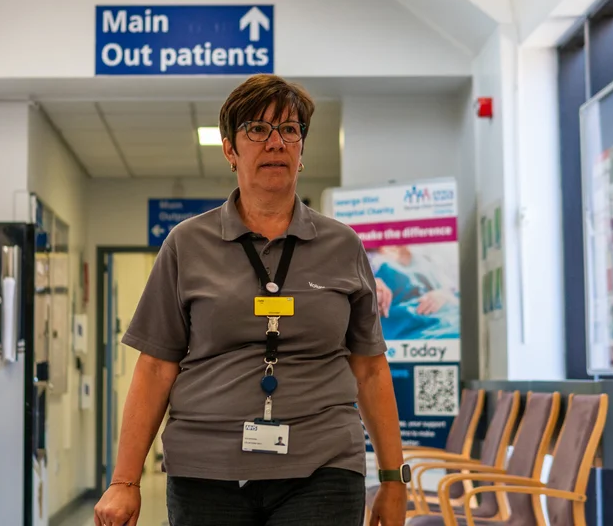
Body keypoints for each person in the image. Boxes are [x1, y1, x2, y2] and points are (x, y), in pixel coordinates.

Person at [94, 74, 408, 526]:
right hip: (207, 470)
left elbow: (370, 367)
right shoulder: (187, 244)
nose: (276, 142)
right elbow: (156, 367)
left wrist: (393, 480)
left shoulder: (342, 245)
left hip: (323, 464)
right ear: (230, 150)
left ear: (302, 151)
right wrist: (124, 481)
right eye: (257, 129)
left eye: (290, 130)